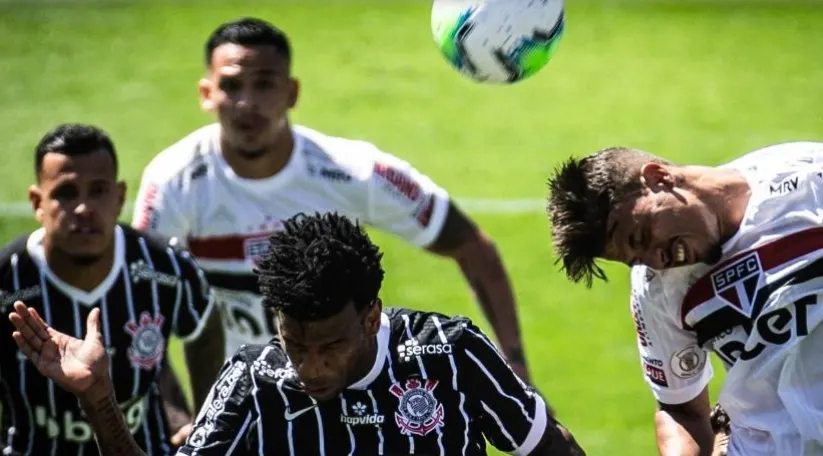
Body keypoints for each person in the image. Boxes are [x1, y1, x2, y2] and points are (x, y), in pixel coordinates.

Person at [130, 17, 534, 388]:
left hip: (345, 401)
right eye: (232, 86)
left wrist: (515, 370)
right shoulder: (173, 181)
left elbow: (472, 246)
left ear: (292, 92)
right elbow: (136, 302)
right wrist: (176, 412)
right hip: (241, 403)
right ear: (206, 93)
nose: (247, 103)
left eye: (265, 84)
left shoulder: (351, 171)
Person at [8, 212, 586, 456]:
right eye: (295, 345)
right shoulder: (255, 381)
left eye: (330, 347)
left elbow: (549, 448)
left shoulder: (450, 355)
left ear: (371, 316)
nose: (310, 368)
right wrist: (98, 397)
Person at [545, 141, 823, 455]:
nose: (656, 259)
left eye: (643, 237)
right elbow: (681, 409)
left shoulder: (810, 178)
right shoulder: (656, 286)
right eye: (637, 259)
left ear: (658, 178)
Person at [0, 123, 225, 456]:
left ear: (120, 197)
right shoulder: (8, 281)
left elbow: (204, 328)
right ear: (37, 202)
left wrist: (204, 424)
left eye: (98, 190)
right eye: (65, 192)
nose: (83, 208)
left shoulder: (166, 267)